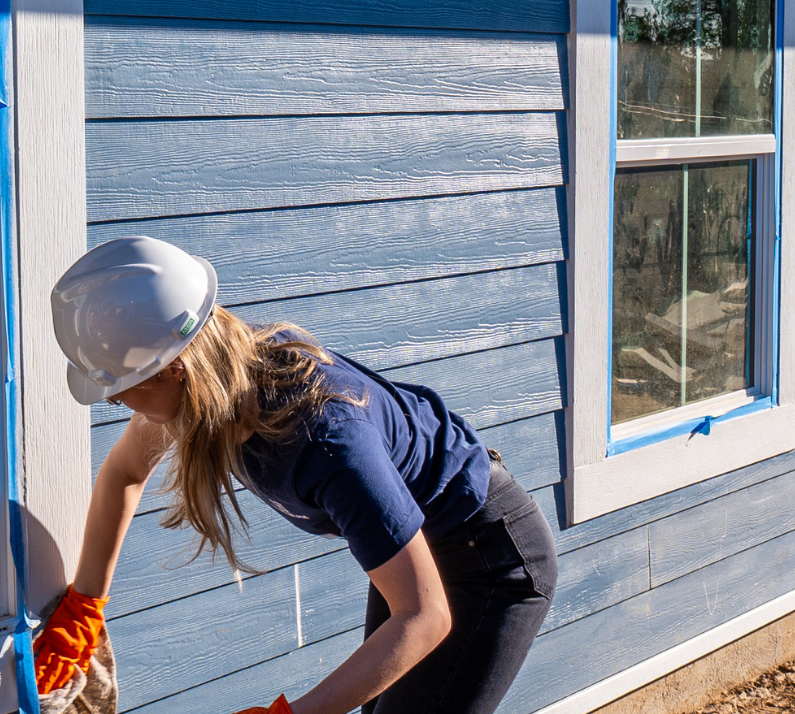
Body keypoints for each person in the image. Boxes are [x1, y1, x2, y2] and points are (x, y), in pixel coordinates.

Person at [34, 237, 556, 714]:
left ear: (178, 368)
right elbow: (124, 472)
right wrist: (84, 605)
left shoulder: (325, 439)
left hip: (489, 556)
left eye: (124, 385)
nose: (117, 400)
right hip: (424, 549)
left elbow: (424, 617)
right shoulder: (206, 396)